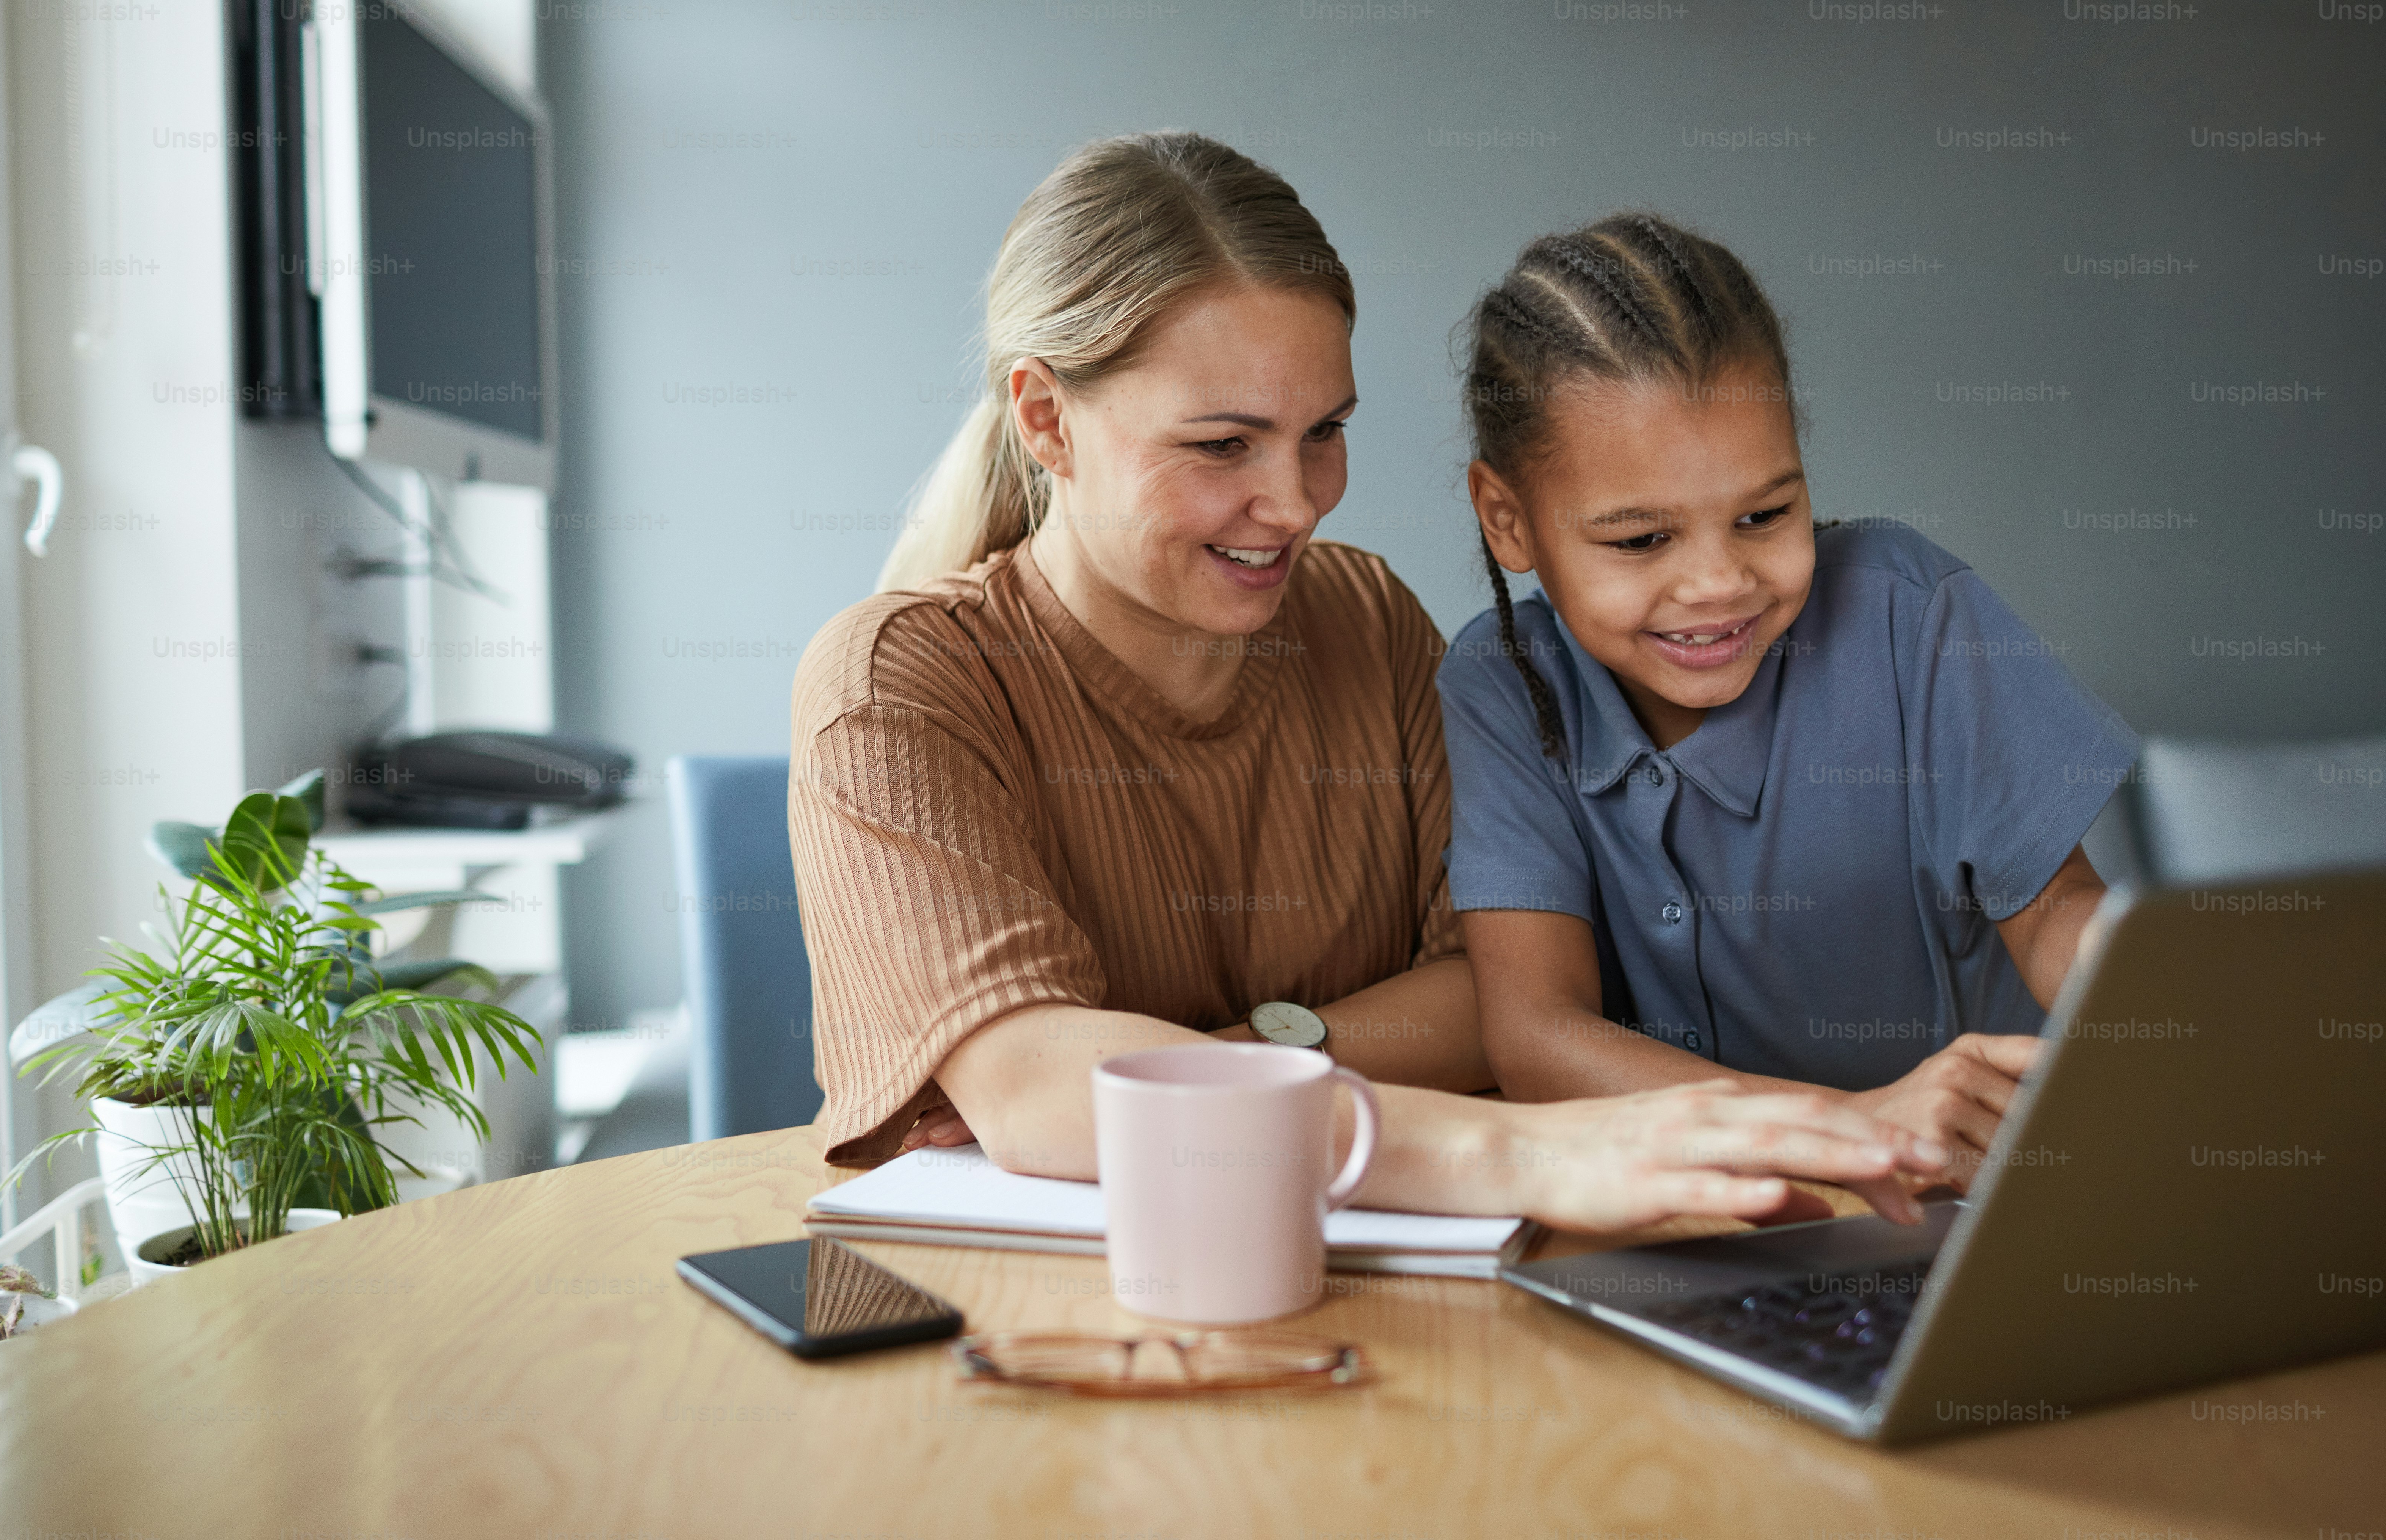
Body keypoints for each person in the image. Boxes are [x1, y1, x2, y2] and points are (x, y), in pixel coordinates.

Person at [788, 136, 1941, 1234]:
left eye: (1324, 432)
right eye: (1223, 447)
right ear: (1047, 417)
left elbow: (1483, 1000)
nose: (1296, 504)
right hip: (1052, 1336)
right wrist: (1525, 1153)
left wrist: (1205, 1063)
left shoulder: (1363, 617)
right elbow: (1041, 1092)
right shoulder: (896, 686)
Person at [1439, 213, 2140, 1189]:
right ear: (1507, 520)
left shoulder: (1909, 612)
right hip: (1723, 1229)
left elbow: (2058, 908)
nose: (1720, 582)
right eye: (1642, 540)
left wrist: (2158, 995)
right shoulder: (1500, 685)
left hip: (1987, 1206)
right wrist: (1848, 1130)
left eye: (1765, 515)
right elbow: (1538, 1035)